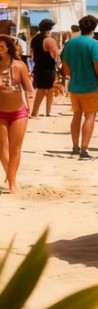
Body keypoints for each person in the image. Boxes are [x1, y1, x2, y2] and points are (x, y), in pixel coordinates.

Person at [60, 15, 98, 160]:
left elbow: (64, 64)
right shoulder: (95, 44)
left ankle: (75, 146)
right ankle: (84, 149)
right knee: (90, 116)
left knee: (76, 115)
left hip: (74, 86)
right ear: (94, 28)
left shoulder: (71, 43)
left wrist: (72, 74)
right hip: (90, 86)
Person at [0, 35, 34, 193]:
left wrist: (30, 107)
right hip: (1, 111)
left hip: (19, 112)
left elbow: (28, 88)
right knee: (2, 148)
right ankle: (11, 178)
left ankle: (12, 182)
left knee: (16, 149)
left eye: (1, 47)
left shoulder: (19, 66)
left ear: (8, 48)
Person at [30, 18, 60, 117]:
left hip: (38, 65)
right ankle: (35, 112)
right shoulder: (49, 40)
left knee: (48, 89)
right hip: (48, 67)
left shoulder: (34, 39)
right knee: (42, 89)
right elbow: (56, 54)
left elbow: (32, 53)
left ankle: (48, 111)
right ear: (50, 29)